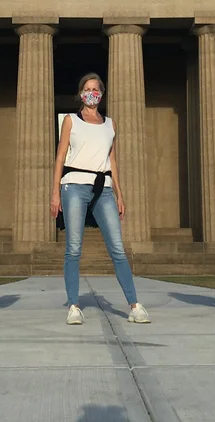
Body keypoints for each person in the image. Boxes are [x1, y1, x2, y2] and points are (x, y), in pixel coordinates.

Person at [50, 73, 151, 326]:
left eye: (95, 89)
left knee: (117, 248)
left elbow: (112, 161)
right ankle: (73, 306)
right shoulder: (71, 121)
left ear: (102, 94)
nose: (91, 93)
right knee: (74, 248)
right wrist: (54, 193)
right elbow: (60, 157)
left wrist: (120, 193)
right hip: (74, 185)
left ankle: (135, 305)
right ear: (81, 94)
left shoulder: (110, 124)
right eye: (87, 89)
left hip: (103, 187)